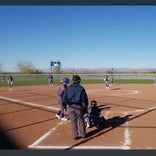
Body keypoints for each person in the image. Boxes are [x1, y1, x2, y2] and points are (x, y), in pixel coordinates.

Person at [62, 75, 88, 140]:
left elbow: (64, 98)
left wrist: (64, 106)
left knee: (73, 121)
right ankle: (83, 134)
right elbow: (84, 99)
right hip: (78, 106)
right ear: (78, 80)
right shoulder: (81, 88)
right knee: (81, 120)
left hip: (70, 107)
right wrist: (85, 106)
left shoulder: (68, 88)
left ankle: (75, 135)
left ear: (73, 80)